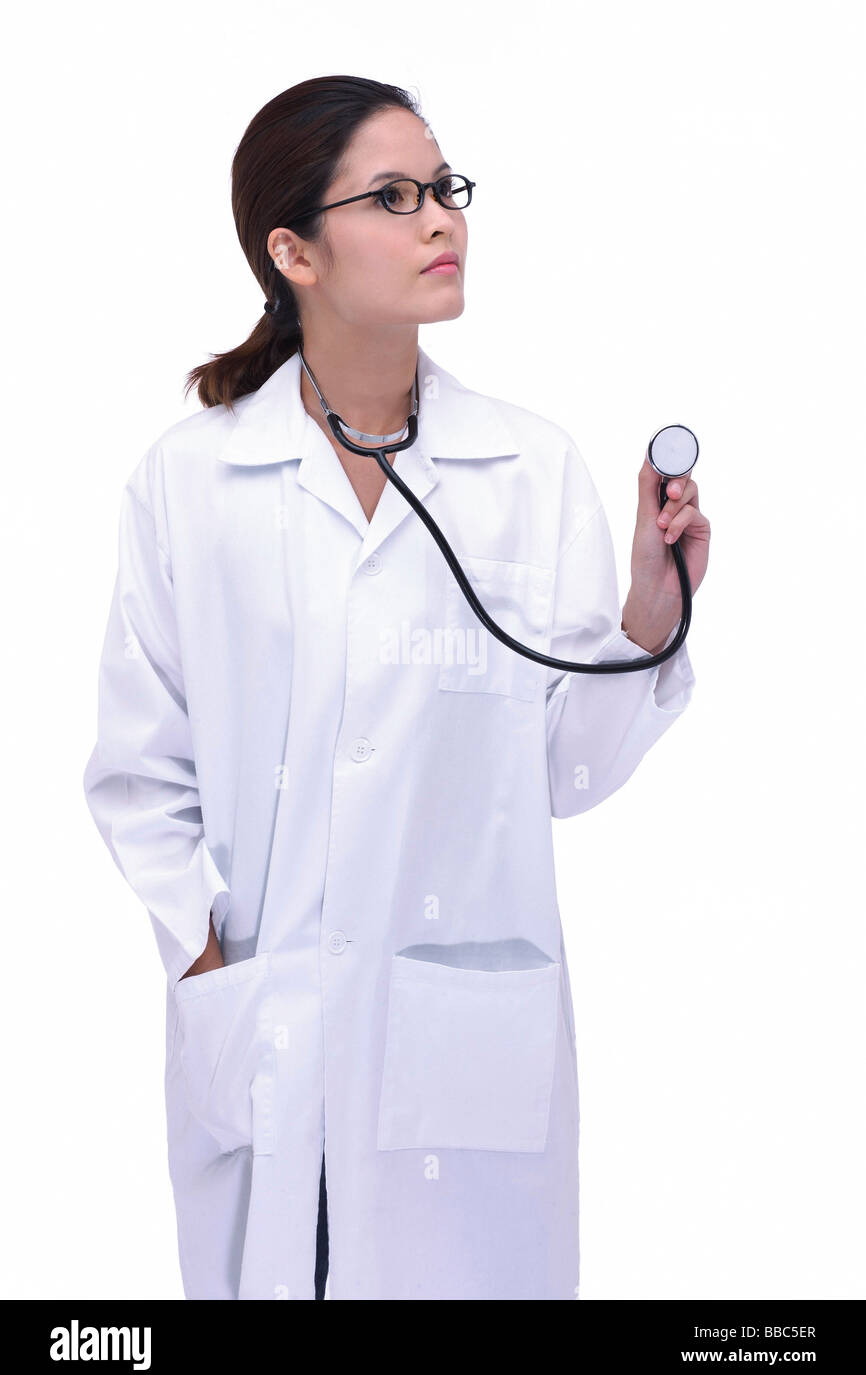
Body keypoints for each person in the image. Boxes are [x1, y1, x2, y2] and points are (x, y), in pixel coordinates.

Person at [82, 73, 710, 1301]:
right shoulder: (193, 479)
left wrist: (647, 607)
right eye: (393, 196)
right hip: (265, 1031)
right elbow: (136, 769)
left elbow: (562, 772)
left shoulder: (525, 465)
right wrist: (213, 965)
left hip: (462, 1060)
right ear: (291, 250)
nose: (441, 222)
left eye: (443, 189)